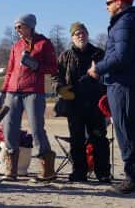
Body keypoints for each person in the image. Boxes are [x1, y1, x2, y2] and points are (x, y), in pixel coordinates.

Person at [88, 0, 135, 194]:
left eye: (108, 1)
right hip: (134, 82)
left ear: (119, 2)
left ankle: (133, 180)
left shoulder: (124, 22)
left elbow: (121, 56)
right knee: (132, 130)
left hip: (123, 84)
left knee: (126, 130)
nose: (106, 6)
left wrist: (98, 68)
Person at [0, 13, 58, 181]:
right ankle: (11, 170)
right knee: (9, 129)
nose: (17, 30)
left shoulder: (44, 44)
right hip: (12, 92)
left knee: (37, 129)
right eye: (16, 27)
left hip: (33, 91)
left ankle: (47, 170)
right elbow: (9, 71)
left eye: (20, 26)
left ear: (30, 26)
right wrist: (2, 92)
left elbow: (53, 68)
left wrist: (36, 66)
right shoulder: (16, 46)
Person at [52, 22, 111, 183]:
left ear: (87, 34)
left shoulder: (99, 54)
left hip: (95, 104)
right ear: (72, 37)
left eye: (83, 32)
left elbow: (109, 75)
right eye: (77, 33)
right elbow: (55, 76)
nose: (80, 35)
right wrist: (59, 88)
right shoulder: (65, 56)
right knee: (76, 140)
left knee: (99, 138)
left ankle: (103, 173)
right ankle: (79, 172)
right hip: (73, 104)